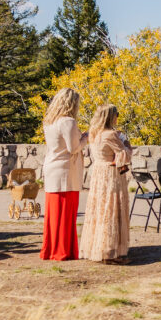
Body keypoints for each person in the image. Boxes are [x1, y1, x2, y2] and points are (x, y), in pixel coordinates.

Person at [78, 105, 133, 264]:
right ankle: (110, 251)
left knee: (100, 210)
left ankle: (97, 247)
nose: (117, 117)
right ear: (111, 117)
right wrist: (127, 144)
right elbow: (123, 155)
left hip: (98, 173)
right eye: (117, 114)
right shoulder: (111, 135)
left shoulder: (95, 134)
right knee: (112, 209)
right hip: (111, 174)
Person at [40, 89, 88, 261]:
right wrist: (86, 137)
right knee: (66, 212)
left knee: (54, 213)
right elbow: (73, 147)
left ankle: (51, 248)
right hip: (65, 170)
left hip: (52, 166)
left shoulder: (50, 121)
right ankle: (63, 250)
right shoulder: (68, 121)